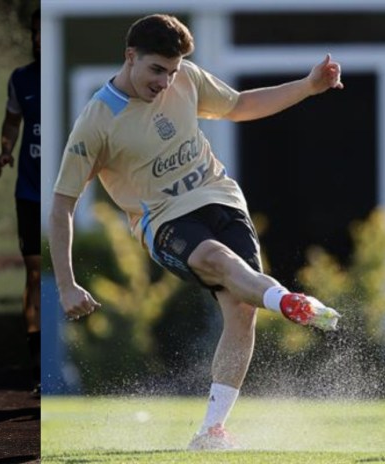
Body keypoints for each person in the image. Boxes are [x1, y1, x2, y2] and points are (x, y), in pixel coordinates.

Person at [48, 14, 342, 450]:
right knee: (217, 260)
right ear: (130, 57)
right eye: (156, 70)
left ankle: (211, 431)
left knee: (242, 311)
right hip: (165, 221)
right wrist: (67, 284)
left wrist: (308, 86)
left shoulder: (186, 77)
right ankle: (286, 300)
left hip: (221, 199)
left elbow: (239, 106)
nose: (165, 82)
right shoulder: (96, 121)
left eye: (172, 71)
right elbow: (62, 206)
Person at [0, 8, 41, 397]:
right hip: (29, 190)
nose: (41, 40)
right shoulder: (21, 78)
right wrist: (6, 149)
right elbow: (12, 122)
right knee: (35, 273)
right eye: (36, 33)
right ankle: (38, 364)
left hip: (64, 193)